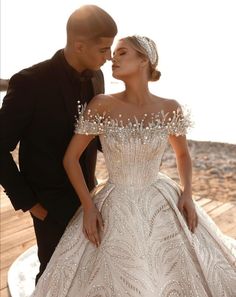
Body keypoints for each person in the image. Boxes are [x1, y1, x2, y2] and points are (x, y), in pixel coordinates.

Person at [31, 35, 236, 296]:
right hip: (113, 201)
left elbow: (183, 155)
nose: (113, 58)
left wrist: (187, 194)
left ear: (143, 61)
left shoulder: (169, 108)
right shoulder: (102, 104)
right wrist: (88, 206)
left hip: (160, 198)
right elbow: (70, 159)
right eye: (113, 53)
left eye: (122, 52)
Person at [0, 5, 117, 283]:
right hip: (48, 202)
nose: (109, 57)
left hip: (89, 193)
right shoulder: (30, 82)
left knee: (90, 273)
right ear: (78, 45)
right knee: (54, 275)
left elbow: (93, 134)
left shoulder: (97, 76)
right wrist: (30, 203)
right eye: (103, 49)